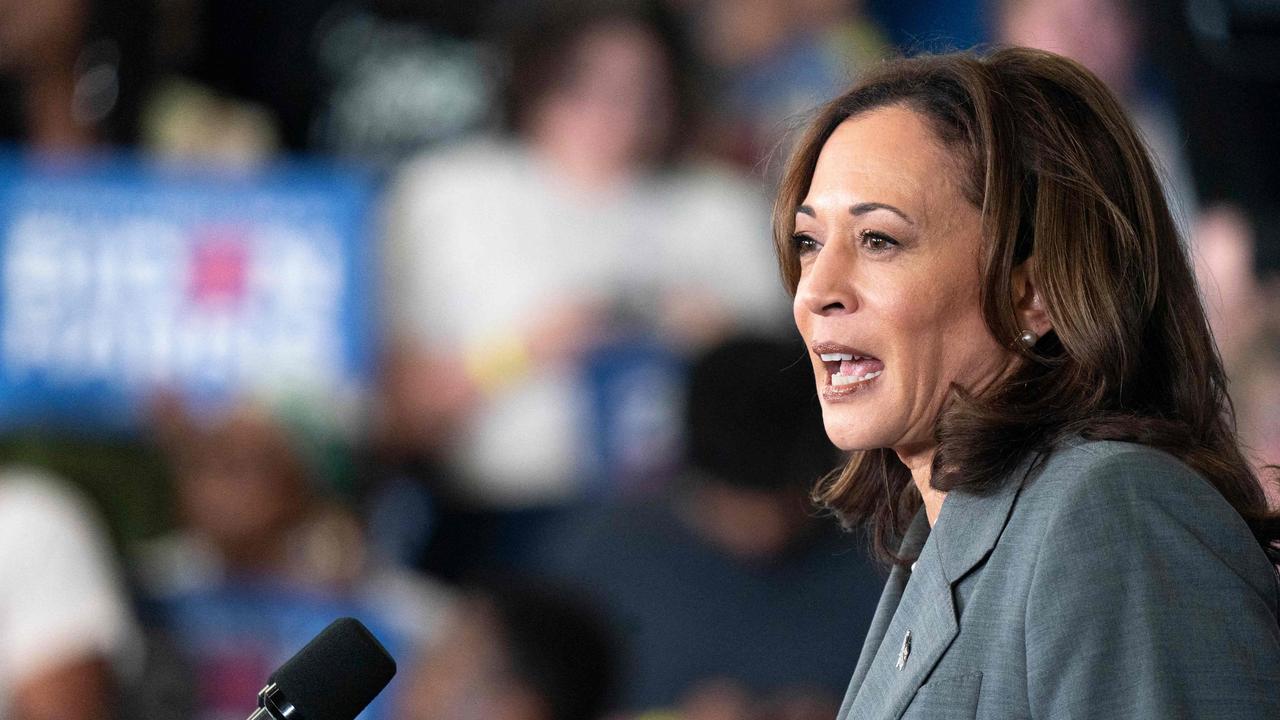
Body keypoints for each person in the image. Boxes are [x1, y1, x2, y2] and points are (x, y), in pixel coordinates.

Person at [775, 47, 1280, 717]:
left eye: (878, 240)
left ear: (1033, 292)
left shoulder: (1111, 512)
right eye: (809, 242)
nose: (818, 292)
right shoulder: (944, 541)